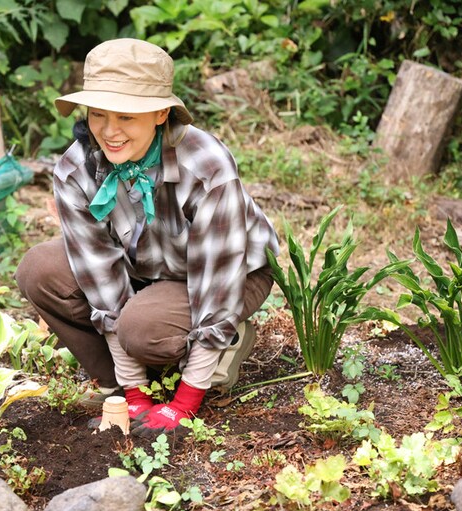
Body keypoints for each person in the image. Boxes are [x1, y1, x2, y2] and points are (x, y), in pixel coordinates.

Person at [15, 38, 279, 437]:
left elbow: (218, 277)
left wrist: (185, 402)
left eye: (126, 117)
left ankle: (221, 345)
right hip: (145, 267)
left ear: (160, 114)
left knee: (141, 328)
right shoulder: (75, 169)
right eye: (98, 115)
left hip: (229, 274)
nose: (109, 131)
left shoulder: (204, 164)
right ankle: (121, 384)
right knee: (40, 269)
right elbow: (100, 277)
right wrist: (135, 394)